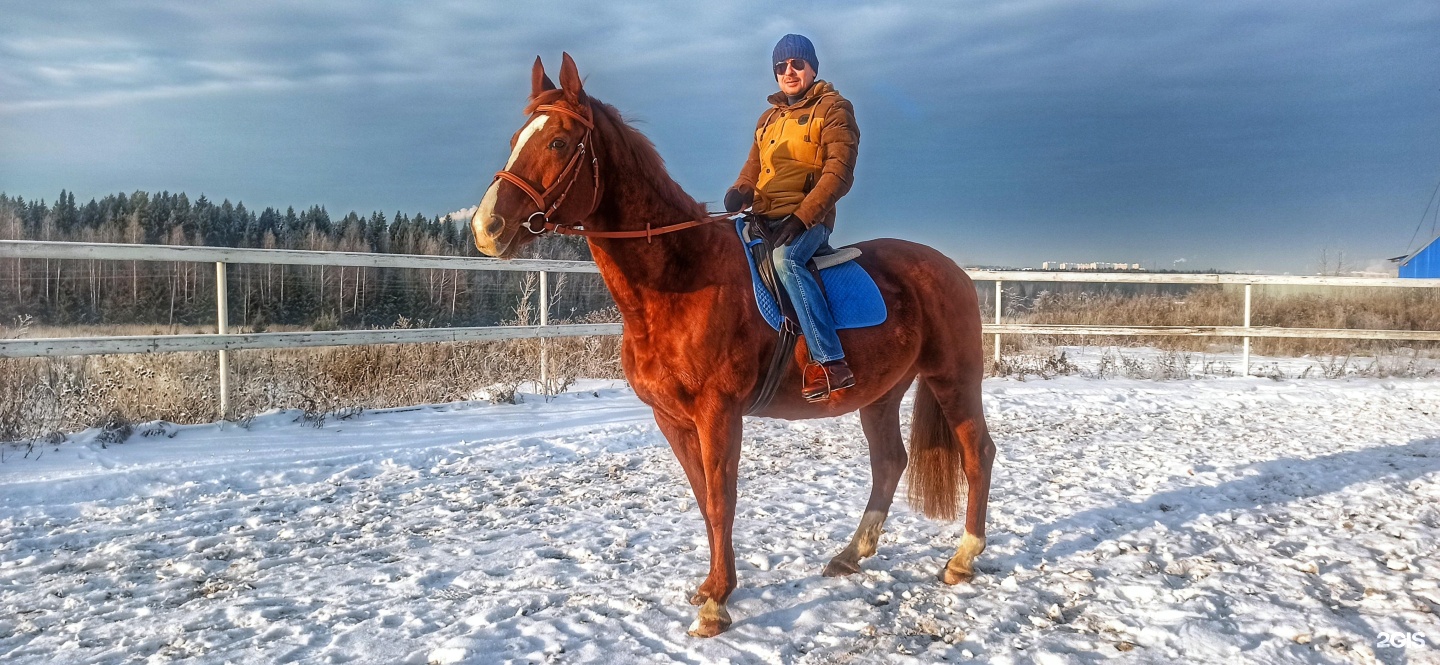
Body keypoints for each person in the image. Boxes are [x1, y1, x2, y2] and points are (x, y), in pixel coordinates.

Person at [725, 33, 860, 402]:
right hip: (764, 215)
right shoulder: (768, 118)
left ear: (812, 67)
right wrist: (740, 191)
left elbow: (839, 172)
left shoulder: (834, 108)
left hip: (807, 219)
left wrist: (802, 219)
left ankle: (831, 362)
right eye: (781, 66)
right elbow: (752, 170)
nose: (789, 71)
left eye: (797, 63)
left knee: (787, 260)